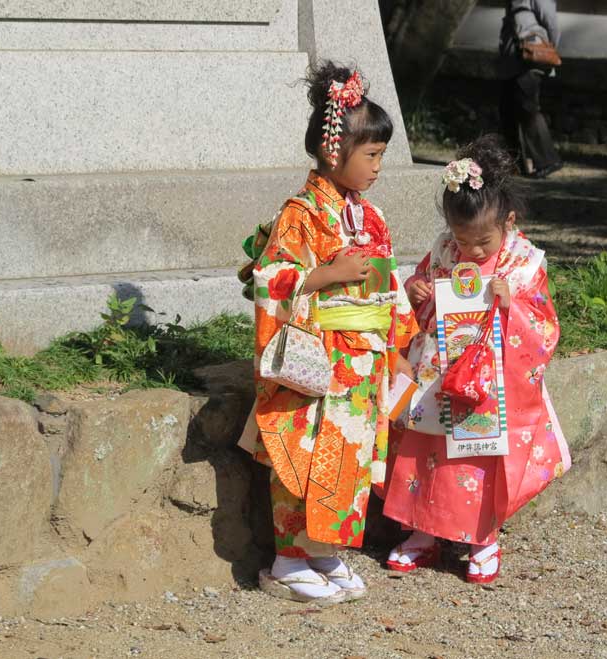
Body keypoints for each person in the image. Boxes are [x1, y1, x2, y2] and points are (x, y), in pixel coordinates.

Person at [238, 61, 417, 605]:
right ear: (333, 152)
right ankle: (287, 558)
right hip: (318, 359)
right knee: (310, 455)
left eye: (382, 156)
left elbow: (388, 286)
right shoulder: (302, 212)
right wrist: (328, 275)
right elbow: (269, 278)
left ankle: (322, 551)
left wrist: (399, 346)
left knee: (351, 457)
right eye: (372, 156)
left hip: (363, 358)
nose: (378, 167)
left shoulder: (371, 216)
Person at [381, 134, 571, 584]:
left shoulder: (522, 263)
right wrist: (416, 292)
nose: (474, 251)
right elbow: (419, 301)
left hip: (491, 381)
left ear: (508, 219)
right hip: (438, 370)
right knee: (426, 450)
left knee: (480, 458)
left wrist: (512, 306)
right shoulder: (446, 251)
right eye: (463, 239)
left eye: (484, 240)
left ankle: (482, 538)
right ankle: (421, 534)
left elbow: (544, 325)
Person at [498, 0, 564, 178]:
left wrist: (549, 49)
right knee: (507, 112)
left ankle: (548, 160)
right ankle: (513, 165)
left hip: (530, 58)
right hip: (511, 60)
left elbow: (551, 22)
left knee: (528, 109)